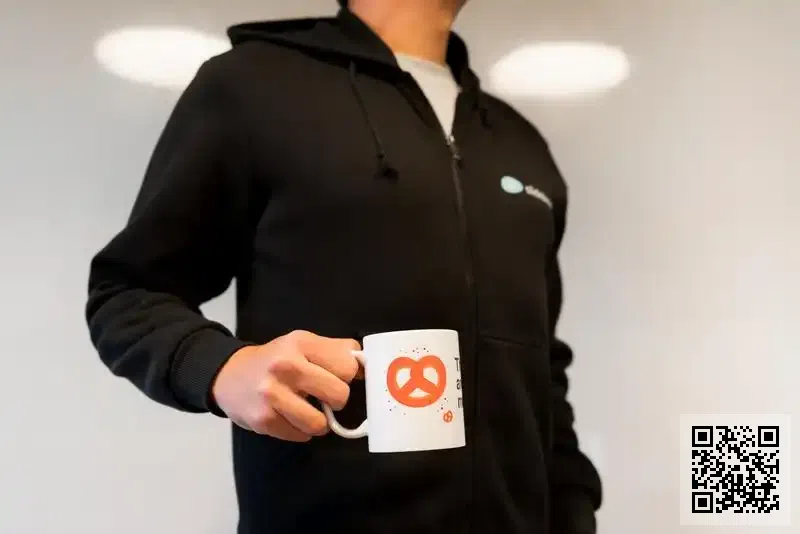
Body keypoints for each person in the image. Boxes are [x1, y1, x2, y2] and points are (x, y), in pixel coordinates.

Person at [85, 0, 602, 533]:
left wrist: (575, 511)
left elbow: (540, 370)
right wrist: (220, 368)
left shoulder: (520, 144)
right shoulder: (254, 87)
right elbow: (128, 295)